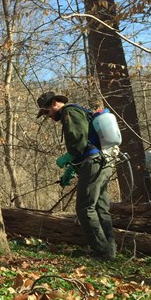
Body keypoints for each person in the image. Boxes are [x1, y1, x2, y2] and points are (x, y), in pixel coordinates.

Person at [37, 91, 116, 261]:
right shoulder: (78, 111)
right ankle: (110, 250)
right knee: (101, 207)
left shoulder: (69, 112)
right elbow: (85, 142)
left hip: (93, 163)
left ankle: (102, 252)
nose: (47, 116)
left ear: (54, 104)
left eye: (46, 111)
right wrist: (71, 169)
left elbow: (78, 142)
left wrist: (67, 158)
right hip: (102, 162)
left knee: (84, 208)